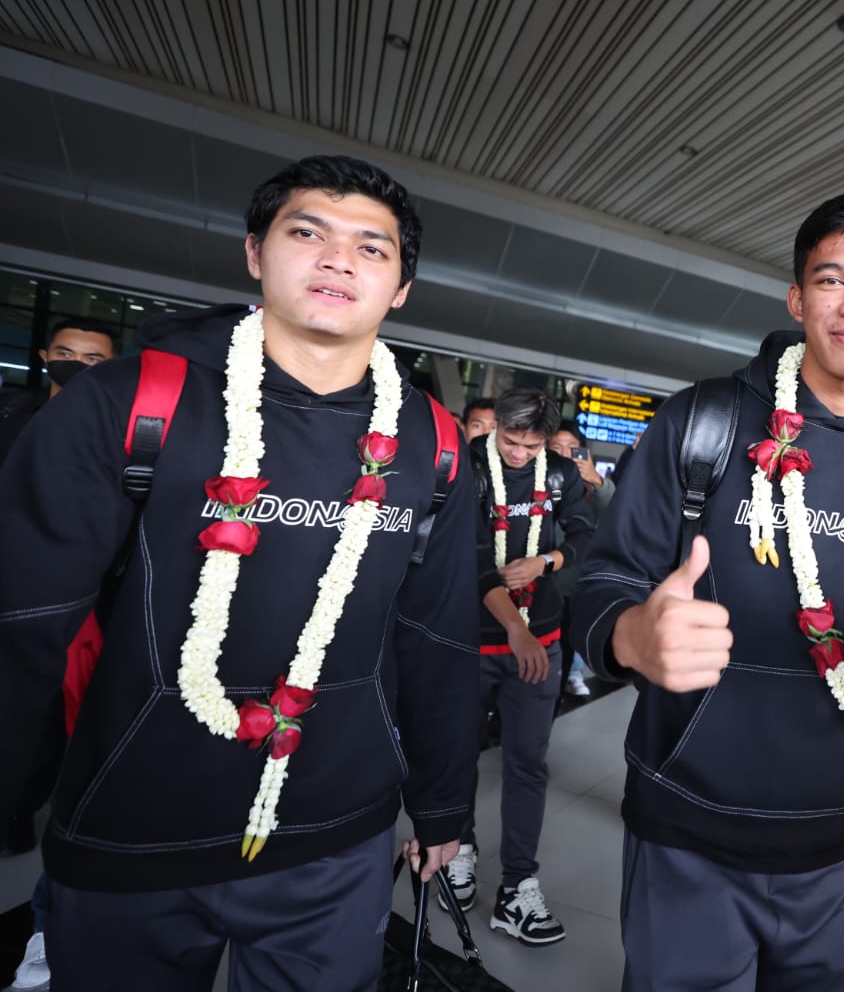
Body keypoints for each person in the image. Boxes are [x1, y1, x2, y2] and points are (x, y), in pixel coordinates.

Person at [0, 155, 481, 992]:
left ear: (400, 288)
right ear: (256, 253)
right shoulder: (130, 401)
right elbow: (21, 622)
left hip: (337, 833)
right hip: (131, 828)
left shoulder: (431, 446)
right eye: (308, 232)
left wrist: (443, 806)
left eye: (373, 248)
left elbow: (437, 634)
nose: (338, 260)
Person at [572, 192, 844, 991]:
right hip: (688, 832)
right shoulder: (707, 424)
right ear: (798, 299)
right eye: (831, 281)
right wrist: (630, 636)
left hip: (842, 846)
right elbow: (604, 580)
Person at [443, 387, 593, 945]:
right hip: (475, 642)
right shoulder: (468, 470)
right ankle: (457, 849)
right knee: (457, 755)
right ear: (496, 427)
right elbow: (475, 557)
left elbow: (583, 535)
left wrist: (546, 561)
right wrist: (515, 629)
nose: (519, 454)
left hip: (542, 639)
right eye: (510, 440)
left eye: (531, 445)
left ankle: (518, 887)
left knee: (528, 765)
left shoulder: (560, 473)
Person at [548, 420, 613, 696]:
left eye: (571, 448)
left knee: (563, 645)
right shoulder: (537, 474)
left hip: (574, 582)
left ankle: (560, 686)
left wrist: (596, 480)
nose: (564, 453)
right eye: (556, 447)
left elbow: (613, 515)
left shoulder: (591, 485)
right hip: (539, 578)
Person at [0, 316, 118, 466]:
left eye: (92, 359)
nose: (76, 362)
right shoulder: (8, 408)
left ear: (112, 366)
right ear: (45, 357)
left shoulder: (119, 427)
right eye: (65, 354)